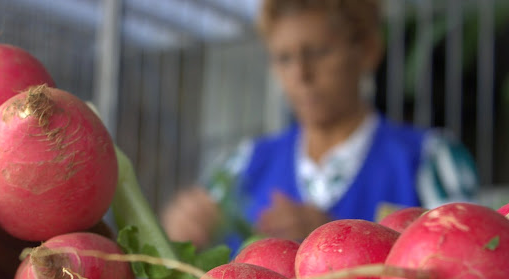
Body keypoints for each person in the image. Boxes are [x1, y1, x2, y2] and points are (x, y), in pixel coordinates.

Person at [161, 0, 478, 253]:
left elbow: (466, 262)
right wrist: (182, 232)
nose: (301, 75)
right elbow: (186, 254)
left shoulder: (430, 160)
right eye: (284, 58)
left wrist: (336, 239)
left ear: (367, 51)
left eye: (319, 52)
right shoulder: (244, 163)